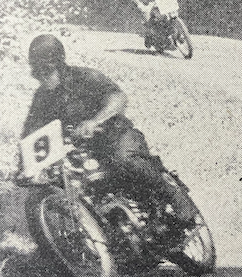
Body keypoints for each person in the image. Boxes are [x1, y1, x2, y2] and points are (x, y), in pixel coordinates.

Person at [20, 35, 198, 234]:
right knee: (68, 186)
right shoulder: (42, 98)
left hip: (118, 135)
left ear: (59, 64)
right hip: (86, 153)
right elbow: (30, 135)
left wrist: (95, 121)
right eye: (37, 72)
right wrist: (23, 166)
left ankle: (177, 197)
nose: (42, 77)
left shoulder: (85, 77)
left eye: (46, 70)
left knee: (125, 159)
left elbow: (118, 98)